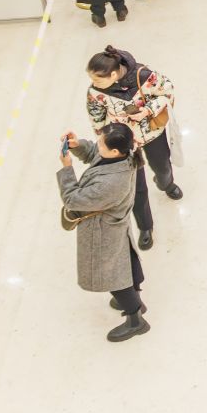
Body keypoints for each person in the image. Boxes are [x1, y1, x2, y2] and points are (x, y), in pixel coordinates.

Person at [57, 124, 149, 342]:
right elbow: (94, 154)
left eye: (101, 143)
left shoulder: (111, 183)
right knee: (123, 261)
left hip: (103, 232)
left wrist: (67, 169)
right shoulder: (124, 156)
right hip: (115, 226)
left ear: (115, 151)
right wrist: (78, 146)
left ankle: (135, 318)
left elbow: (72, 199)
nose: (97, 145)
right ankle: (134, 298)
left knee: (110, 275)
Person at [84, 45, 180, 251]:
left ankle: (166, 184)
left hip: (152, 132)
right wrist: (105, 139)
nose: (93, 84)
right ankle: (145, 227)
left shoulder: (143, 76)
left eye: (98, 79)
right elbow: (96, 118)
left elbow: (167, 91)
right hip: (124, 142)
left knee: (162, 166)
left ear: (113, 74)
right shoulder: (95, 92)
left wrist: (147, 110)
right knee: (136, 187)